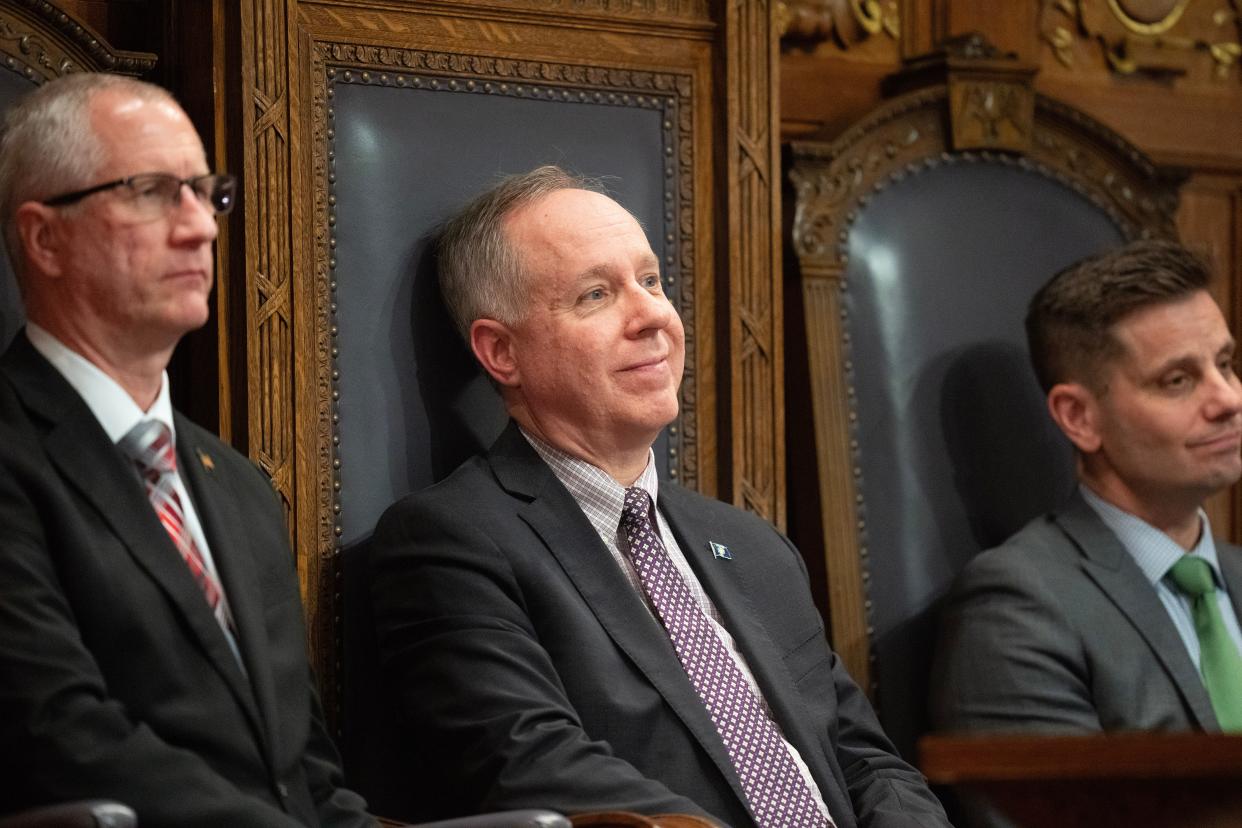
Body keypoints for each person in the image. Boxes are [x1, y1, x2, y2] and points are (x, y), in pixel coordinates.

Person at [369, 165, 951, 828]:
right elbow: (534, 766)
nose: (652, 316)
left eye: (650, 281)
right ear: (502, 352)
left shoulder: (756, 549)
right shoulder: (451, 542)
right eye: (595, 295)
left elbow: (867, 763)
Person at [0, 73, 372, 825]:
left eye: (207, 194)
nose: (200, 226)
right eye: (153, 191)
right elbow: (59, 736)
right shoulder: (12, 452)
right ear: (45, 238)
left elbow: (309, 775)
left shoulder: (238, 485)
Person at [931, 239, 1242, 740]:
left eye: (1225, 364)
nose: (1228, 399)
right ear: (1080, 417)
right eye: (1178, 380)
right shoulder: (1021, 607)